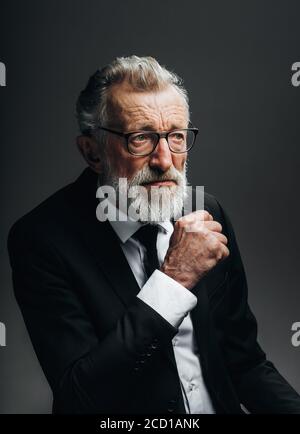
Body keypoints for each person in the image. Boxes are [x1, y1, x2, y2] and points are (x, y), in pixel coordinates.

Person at [7, 56, 300, 414]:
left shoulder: (207, 213)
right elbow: (81, 396)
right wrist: (174, 281)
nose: (165, 160)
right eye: (141, 138)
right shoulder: (42, 239)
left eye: (176, 136)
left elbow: (245, 363)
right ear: (92, 153)